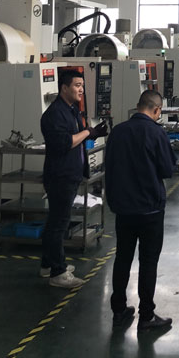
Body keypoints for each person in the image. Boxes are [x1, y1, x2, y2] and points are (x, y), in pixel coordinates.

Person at [105, 89, 177, 331]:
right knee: (148, 262)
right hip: (150, 210)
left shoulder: (117, 132)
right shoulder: (156, 133)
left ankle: (118, 310)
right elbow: (167, 169)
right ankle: (146, 316)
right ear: (157, 110)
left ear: (138, 106)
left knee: (122, 258)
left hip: (123, 209)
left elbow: (108, 167)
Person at [40, 69, 108, 288]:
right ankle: (58, 273)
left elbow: (77, 136)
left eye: (82, 86)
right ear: (64, 88)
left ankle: (48, 264)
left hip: (71, 173)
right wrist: (88, 132)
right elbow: (65, 143)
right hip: (60, 175)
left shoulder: (71, 111)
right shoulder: (54, 114)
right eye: (77, 85)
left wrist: (91, 132)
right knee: (59, 224)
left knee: (57, 221)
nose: (81, 90)